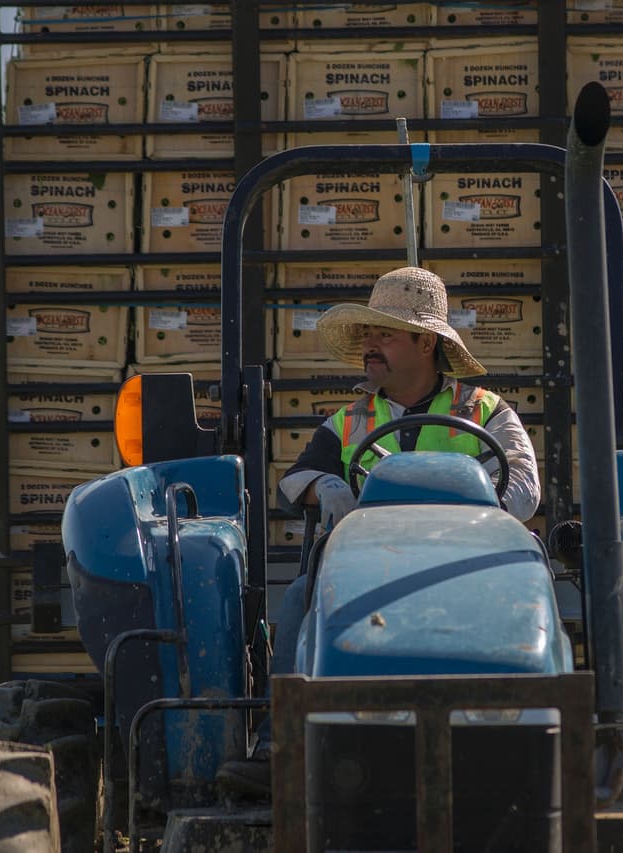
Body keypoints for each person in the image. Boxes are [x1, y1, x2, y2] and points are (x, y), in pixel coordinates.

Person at [217, 266, 541, 796]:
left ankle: (525, 740)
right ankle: (279, 746)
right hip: (371, 571)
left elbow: (524, 493)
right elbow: (292, 481)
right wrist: (327, 486)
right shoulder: (347, 420)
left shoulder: (488, 412)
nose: (370, 345)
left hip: (469, 571)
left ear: (425, 341)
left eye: (384, 333)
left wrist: (456, 513)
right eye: (368, 333)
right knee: (300, 596)